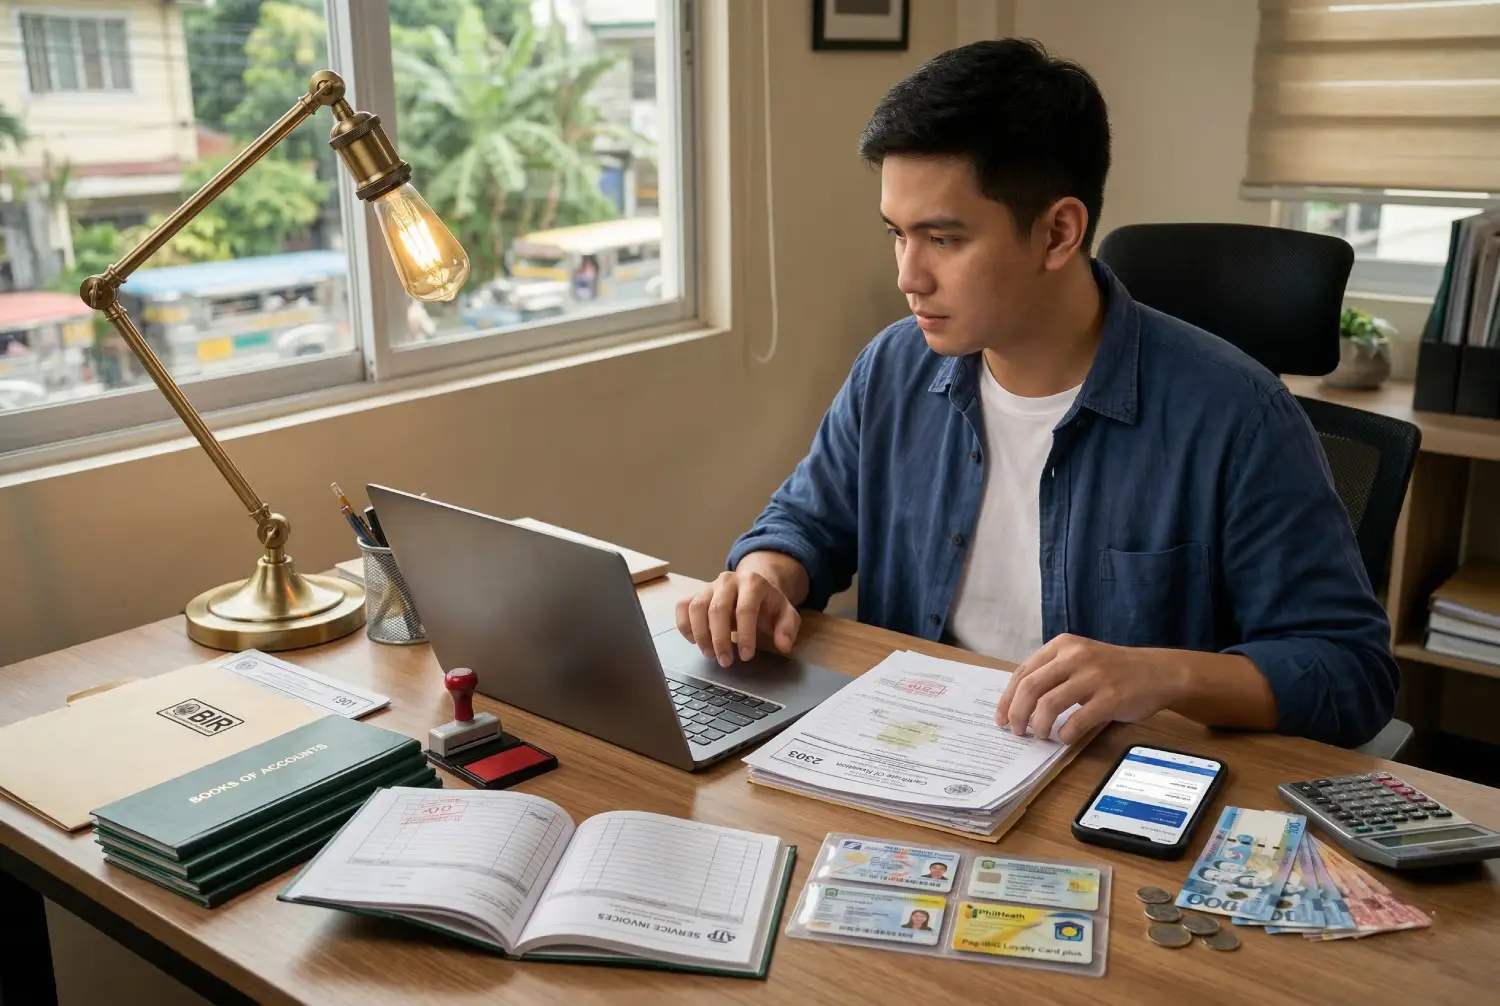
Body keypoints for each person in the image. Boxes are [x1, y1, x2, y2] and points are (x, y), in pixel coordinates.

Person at [674, 39, 1397, 749]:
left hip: (1106, 793)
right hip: (905, 753)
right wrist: (764, 576)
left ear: (1058, 233)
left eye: (944, 239)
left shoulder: (1238, 415)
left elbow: (1350, 673)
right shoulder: (892, 368)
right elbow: (805, 524)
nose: (909, 275)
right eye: (898, 234)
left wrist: (1164, 674)